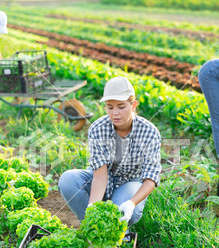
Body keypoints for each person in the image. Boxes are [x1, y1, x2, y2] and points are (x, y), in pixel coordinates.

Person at [58, 76, 162, 227]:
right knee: (68, 180)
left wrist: (131, 203)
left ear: (133, 105)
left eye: (121, 107)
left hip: (130, 182)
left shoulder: (149, 132)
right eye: (110, 107)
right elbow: (100, 176)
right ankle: (91, 227)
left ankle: (118, 232)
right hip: (103, 180)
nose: (115, 113)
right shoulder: (98, 128)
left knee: (121, 209)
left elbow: (151, 178)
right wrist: (92, 208)